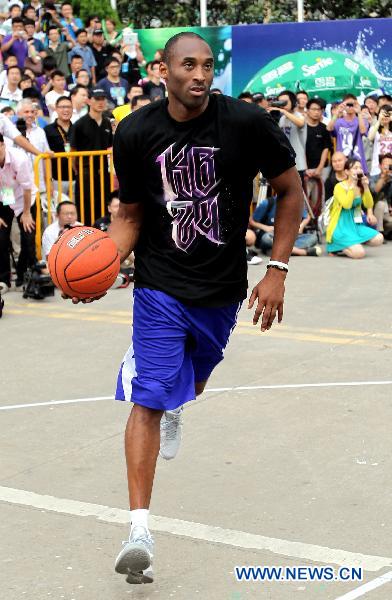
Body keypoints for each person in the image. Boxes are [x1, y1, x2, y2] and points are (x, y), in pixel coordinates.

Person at [62, 32, 303, 584]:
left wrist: (277, 270)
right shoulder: (136, 131)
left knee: (187, 387)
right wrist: (106, 260)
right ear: (162, 69)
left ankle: (177, 400)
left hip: (220, 290)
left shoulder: (244, 123)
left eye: (207, 65)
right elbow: (130, 213)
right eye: (187, 64)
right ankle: (139, 531)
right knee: (147, 396)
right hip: (158, 285)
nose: (200, 74)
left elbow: (290, 192)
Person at [70, 87, 112, 224]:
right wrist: (77, 169)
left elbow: (110, 145)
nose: (100, 102)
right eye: (97, 99)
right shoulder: (79, 124)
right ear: (89, 101)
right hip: (86, 171)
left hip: (103, 170)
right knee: (86, 203)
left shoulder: (107, 122)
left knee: (104, 201)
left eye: (103, 99)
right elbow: (73, 150)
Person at [326, 158, 383, 258]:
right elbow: (347, 205)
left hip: (355, 225)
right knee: (359, 254)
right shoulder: (339, 187)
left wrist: (365, 187)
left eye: (360, 168)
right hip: (341, 227)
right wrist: (352, 185)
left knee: (379, 238)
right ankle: (339, 247)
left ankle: (353, 244)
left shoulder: (361, 187)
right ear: (347, 171)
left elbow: (369, 204)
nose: (358, 170)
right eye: (355, 168)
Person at [0, 132, 36, 290]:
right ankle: (3, 280)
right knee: (1, 238)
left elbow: (27, 188)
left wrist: (27, 213)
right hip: (5, 197)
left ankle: (22, 275)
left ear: (3, 145)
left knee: (28, 238)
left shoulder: (19, 159)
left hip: (24, 199)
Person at [250, 196, 322, 256]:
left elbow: (307, 216)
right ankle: (303, 252)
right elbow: (251, 221)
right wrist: (265, 227)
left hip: (289, 236)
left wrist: (301, 226)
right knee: (266, 239)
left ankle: (277, 251)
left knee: (313, 238)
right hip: (272, 236)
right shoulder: (267, 203)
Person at [304, 97, 333, 215]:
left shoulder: (324, 129)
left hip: (322, 170)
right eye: (314, 109)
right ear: (308, 110)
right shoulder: (302, 127)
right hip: (304, 169)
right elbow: (299, 149)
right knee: (304, 199)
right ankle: (303, 224)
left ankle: (317, 225)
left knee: (319, 200)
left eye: (320, 110)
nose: (317, 112)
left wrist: (320, 168)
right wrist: (305, 168)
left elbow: (326, 149)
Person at [327, 93, 369, 174]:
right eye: (347, 104)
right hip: (342, 161)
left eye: (352, 104)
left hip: (358, 160)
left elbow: (363, 131)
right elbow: (329, 128)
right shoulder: (339, 122)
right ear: (343, 105)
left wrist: (359, 112)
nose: (350, 107)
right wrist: (338, 112)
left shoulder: (361, 120)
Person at [273, 90, 307, 181]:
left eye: (285, 101)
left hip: (298, 163)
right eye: (280, 102)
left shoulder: (299, 115)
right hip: (286, 163)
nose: (283, 104)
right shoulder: (282, 119)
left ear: (293, 101)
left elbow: (300, 123)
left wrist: (283, 111)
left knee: (299, 192)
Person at [44, 95, 73, 194]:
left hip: (75, 177)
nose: (66, 110)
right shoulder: (48, 130)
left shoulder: (77, 128)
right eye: (62, 107)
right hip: (57, 178)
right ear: (56, 109)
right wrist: (49, 181)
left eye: (68, 107)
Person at [370, 153, 392, 238]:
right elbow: (374, 191)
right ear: (380, 166)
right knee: (381, 204)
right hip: (374, 211)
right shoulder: (373, 178)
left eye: (390, 165)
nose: (387, 167)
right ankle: (379, 233)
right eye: (385, 165)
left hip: (387, 213)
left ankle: (386, 232)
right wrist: (383, 178)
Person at [368, 105, 392, 178]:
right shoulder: (374, 128)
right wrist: (379, 121)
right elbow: (370, 138)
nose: (385, 116)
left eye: (388, 114)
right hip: (376, 168)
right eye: (383, 113)